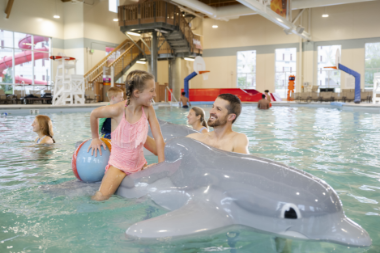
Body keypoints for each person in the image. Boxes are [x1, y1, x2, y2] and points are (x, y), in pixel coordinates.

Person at [88, 70, 165, 201]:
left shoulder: (148, 109)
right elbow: (94, 114)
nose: (155, 94)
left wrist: (162, 165)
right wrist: (95, 138)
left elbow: (158, 137)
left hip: (140, 165)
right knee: (100, 198)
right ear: (137, 93)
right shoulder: (117, 110)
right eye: (151, 91)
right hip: (118, 167)